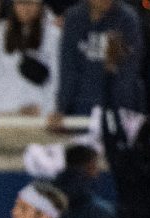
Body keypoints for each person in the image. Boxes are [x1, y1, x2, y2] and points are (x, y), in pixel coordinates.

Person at [50, 0, 143, 128]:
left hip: (115, 110)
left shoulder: (127, 20)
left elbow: (128, 74)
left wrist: (117, 112)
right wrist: (62, 107)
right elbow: (68, 68)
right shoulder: (74, 18)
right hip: (79, 109)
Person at [0, 0, 60, 123]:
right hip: (2, 115)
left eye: (30, 4)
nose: (25, 8)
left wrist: (47, 110)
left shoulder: (53, 35)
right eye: (21, 3)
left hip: (37, 116)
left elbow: (55, 79)